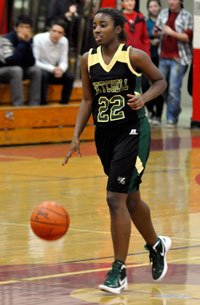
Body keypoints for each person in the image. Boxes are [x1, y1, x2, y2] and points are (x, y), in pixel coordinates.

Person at [62, 8, 171, 294]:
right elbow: (87, 99)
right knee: (130, 200)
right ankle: (156, 245)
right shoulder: (88, 60)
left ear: (118, 29)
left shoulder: (134, 56)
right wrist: (76, 136)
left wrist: (143, 98)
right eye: (94, 25)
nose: (96, 30)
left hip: (133, 132)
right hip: (105, 136)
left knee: (114, 198)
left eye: (103, 25)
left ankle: (118, 270)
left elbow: (160, 81)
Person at [153, 0, 193, 128]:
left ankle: (172, 118)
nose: (170, 2)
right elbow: (155, 31)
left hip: (179, 58)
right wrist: (159, 32)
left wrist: (171, 32)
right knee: (161, 87)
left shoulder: (187, 16)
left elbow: (187, 37)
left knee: (173, 89)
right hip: (163, 56)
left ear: (180, 2)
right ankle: (175, 109)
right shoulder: (163, 13)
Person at [0, 15, 41, 106]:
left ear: (31, 30)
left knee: (36, 70)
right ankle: (18, 105)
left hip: (18, 70)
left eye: (27, 27)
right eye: (21, 27)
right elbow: (10, 61)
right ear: (16, 28)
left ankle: (34, 104)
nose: (24, 30)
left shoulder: (29, 40)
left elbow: (31, 62)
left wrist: (27, 43)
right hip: (3, 70)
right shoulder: (6, 39)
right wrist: (23, 43)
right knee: (16, 69)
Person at [33, 19, 75, 105]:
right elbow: (35, 61)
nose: (56, 34)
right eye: (54, 31)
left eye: (59, 32)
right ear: (50, 30)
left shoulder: (64, 41)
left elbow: (64, 61)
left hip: (55, 70)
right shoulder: (38, 38)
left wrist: (61, 69)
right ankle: (43, 104)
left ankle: (64, 103)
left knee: (70, 77)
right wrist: (53, 69)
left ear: (63, 34)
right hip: (41, 68)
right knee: (43, 75)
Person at [145, 0, 164, 126]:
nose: (153, 8)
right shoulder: (145, 22)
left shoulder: (164, 20)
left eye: (155, 6)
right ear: (148, 8)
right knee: (146, 85)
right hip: (149, 57)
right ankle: (151, 111)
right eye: (151, 6)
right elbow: (144, 37)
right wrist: (150, 41)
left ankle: (158, 115)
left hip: (162, 57)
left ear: (160, 7)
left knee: (160, 85)